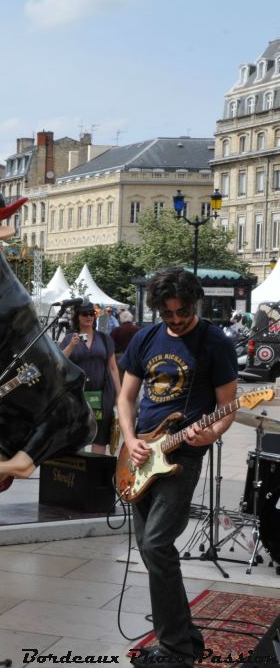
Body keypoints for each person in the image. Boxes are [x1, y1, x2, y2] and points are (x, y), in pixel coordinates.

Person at [118, 267, 237, 668]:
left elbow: (227, 406)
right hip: (140, 454)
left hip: (181, 456)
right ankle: (186, 635)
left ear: (195, 303)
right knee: (153, 552)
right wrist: (130, 439)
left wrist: (213, 431)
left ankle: (175, 650)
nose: (175, 319)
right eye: (167, 313)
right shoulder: (146, 338)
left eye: (182, 312)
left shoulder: (214, 342)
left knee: (155, 544)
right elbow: (125, 397)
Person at [60, 301, 120, 455]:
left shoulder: (104, 339)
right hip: (77, 395)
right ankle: (80, 474)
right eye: (84, 314)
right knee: (79, 434)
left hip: (102, 393)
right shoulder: (69, 338)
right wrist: (72, 346)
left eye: (91, 314)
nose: (89, 317)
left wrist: (119, 394)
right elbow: (59, 362)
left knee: (100, 436)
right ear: (77, 317)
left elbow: (113, 367)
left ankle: (94, 474)